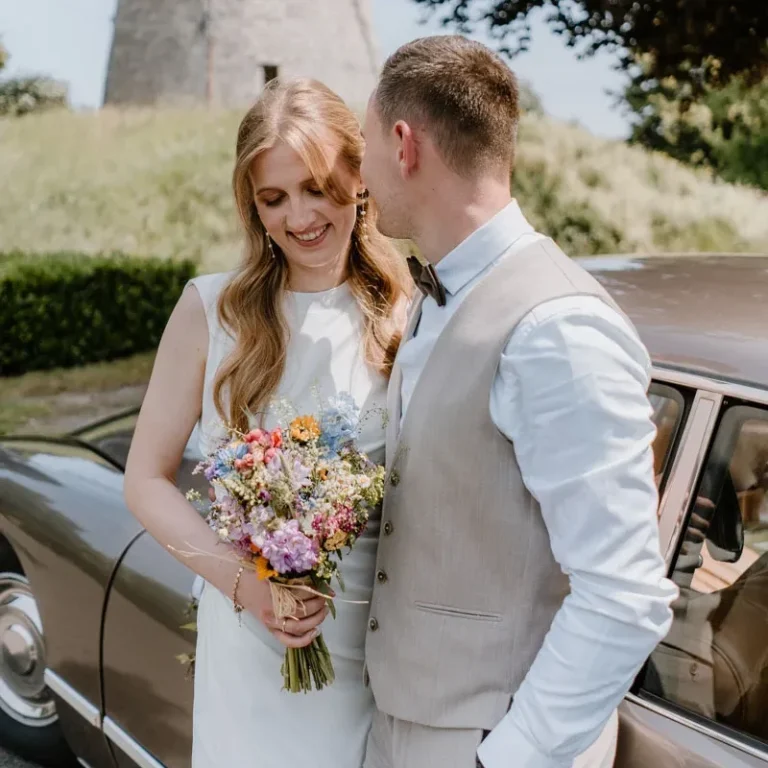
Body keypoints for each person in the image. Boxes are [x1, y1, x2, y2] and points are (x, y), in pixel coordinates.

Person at [359, 35, 679, 768]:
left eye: (366, 142)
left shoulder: (556, 328)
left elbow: (625, 594)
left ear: (405, 145)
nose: (360, 173)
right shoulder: (439, 292)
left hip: (488, 738)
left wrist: (507, 759)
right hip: (408, 717)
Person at [123, 77, 410, 768]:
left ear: (358, 177)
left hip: (374, 640)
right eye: (272, 198)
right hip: (248, 639)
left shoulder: (406, 315)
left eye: (316, 187)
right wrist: (248, 589)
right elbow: (146, 480)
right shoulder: (210, 310)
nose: (299, 217)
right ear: (251, 206)